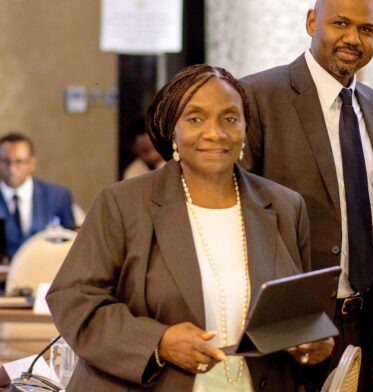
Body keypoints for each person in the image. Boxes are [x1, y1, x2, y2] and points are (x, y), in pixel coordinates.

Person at [46, 64, 333, 392]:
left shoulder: (285, 206)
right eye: (196, 118)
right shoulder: (122, 203)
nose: (215, 133)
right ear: (173, 131)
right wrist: (159, 342)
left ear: (245, 129)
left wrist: (314, 347)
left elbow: (297, 314)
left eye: (230, 118)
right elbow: (74, 298)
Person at [240, 0, 373, 388]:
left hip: (363, 324)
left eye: (366, 29)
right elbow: (243, 220)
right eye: (340, 23)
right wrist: (288, 323)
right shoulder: (257, 95)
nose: (352, 38)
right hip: (291, 329)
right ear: (312, 21)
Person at [0, 132, 74, 258]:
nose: (12, 169)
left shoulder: (58, 196)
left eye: (19, 162)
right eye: (6, 162)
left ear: (32, 163)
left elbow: (70, 245)